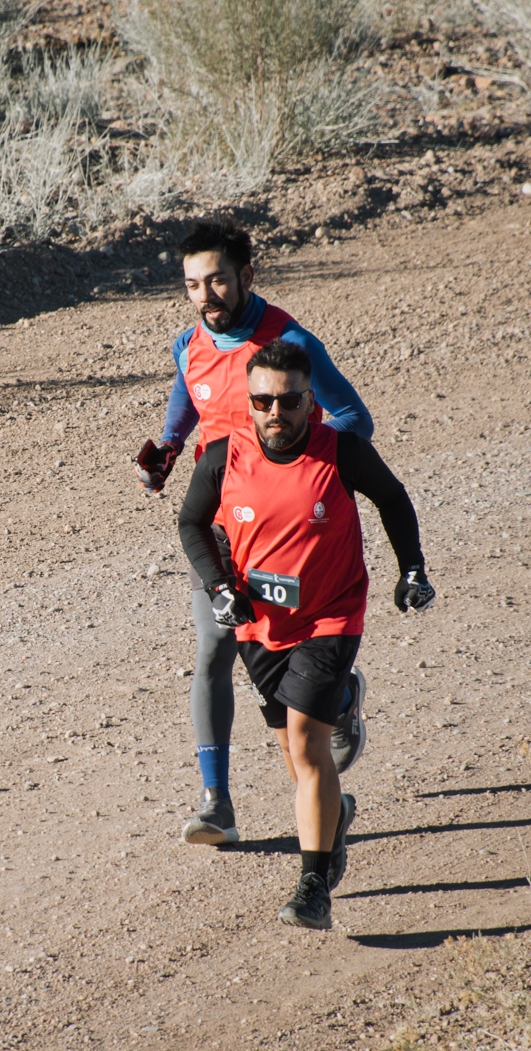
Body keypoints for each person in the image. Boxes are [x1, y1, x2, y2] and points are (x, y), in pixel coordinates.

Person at [133, 216, 375, 847]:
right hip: (220, 527)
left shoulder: (288, 339)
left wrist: (317, 479)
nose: (204, 295)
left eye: (216, 280)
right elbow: (187, 403)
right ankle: (217, 803)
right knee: (215, 649)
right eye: (191, 284)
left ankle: (335, 709)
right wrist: (167, 449)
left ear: (246, 275)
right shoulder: (190, 345)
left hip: (292, 530)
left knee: (289, 659)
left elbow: (352, 416)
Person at [176, 339, 435, 930]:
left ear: (309, 400)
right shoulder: (223, 456)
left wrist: (411, 569)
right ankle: (335, 790)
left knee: (308, 741)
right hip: (259, 624)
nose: (275, 413)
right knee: (295, 752)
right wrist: (218, 587)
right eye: (263, 401)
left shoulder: (340, 451)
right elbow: (192, 521)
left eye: (288, 401)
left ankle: (314, 881)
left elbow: (393, 499)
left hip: (331, 617)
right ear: (249, 402)